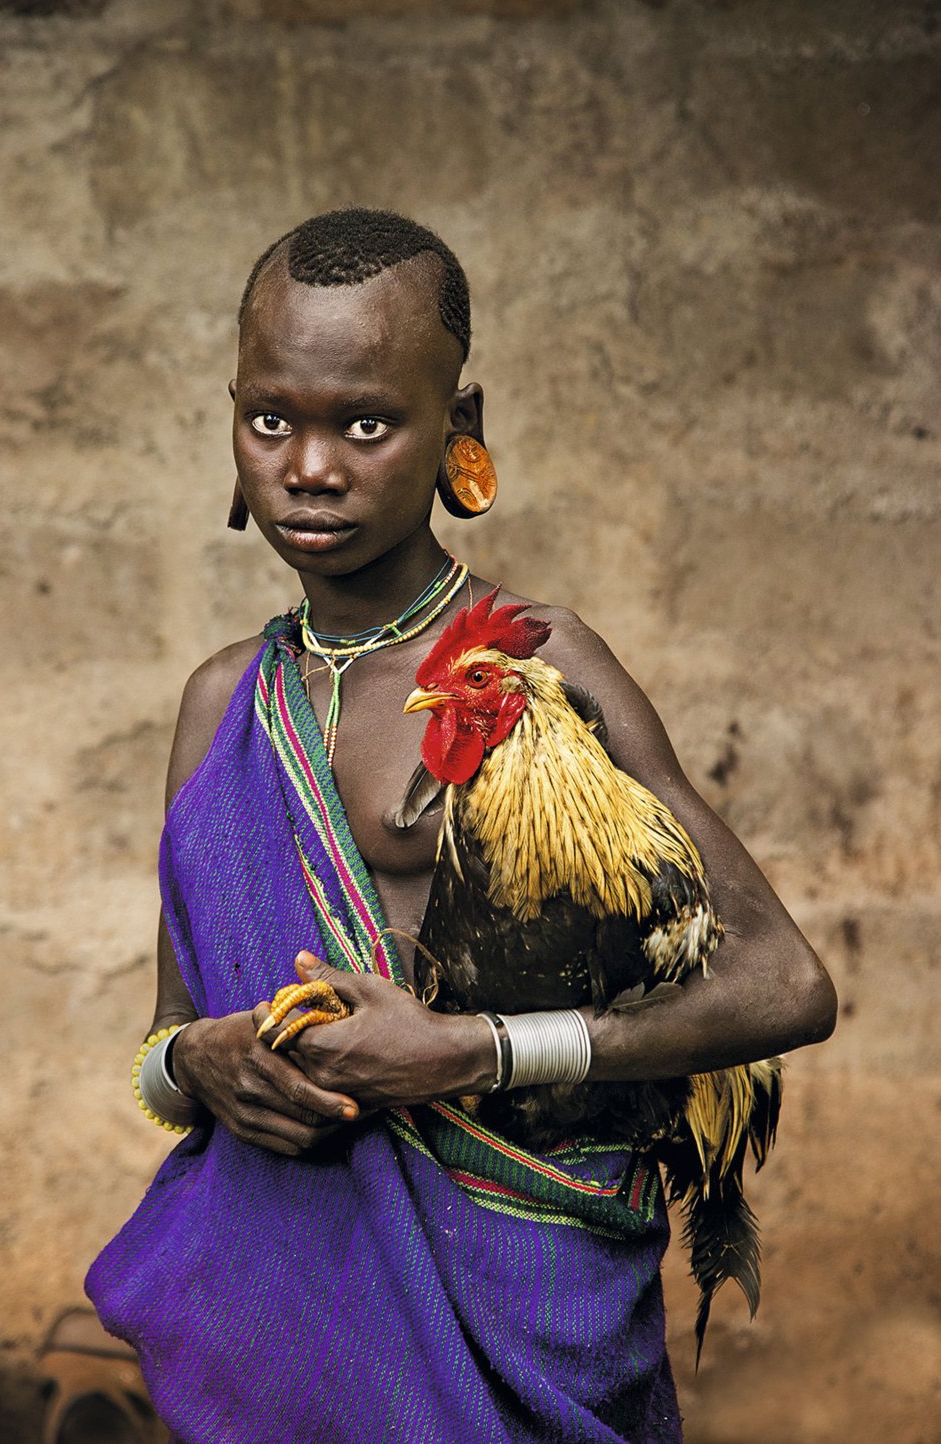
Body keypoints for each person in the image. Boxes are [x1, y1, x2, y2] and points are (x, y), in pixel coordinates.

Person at [87, 208, 837, 1444]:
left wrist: (473, 1049)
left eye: (365, 423)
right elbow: (168, 1038)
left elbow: (784, 984)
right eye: (270, 417)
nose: (310, 465)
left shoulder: (533, 660)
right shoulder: (225, 702)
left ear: (459, 429)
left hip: (523, 1306)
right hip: (285, 1328)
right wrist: (202, 1067)